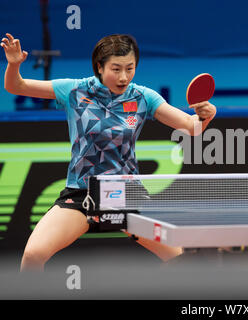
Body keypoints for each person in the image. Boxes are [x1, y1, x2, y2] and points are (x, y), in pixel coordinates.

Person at [2, 33, 217, 271]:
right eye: (116, 68)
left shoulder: (143, 97)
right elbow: (16, 86)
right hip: (82, 194)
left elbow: (191, 126)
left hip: (127, 195)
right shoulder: (74, 90)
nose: (124, 76)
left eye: (130, 68)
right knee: (33, 255)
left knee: (181, 257)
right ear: (99, 67)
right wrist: (14, 65)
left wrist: (206, 115)